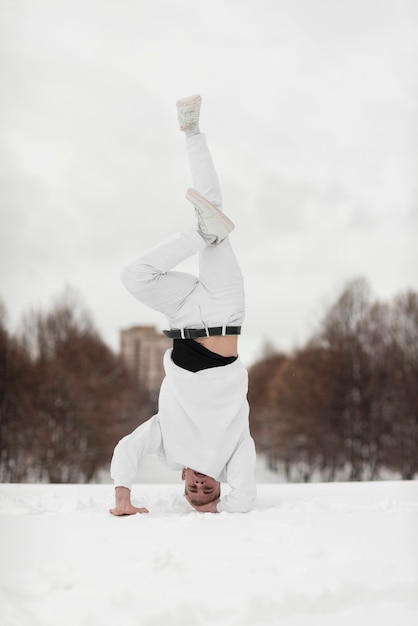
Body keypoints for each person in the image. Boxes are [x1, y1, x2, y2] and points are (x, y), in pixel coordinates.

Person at [110, 95, 256, 515]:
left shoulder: (168, 446)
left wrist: (123, 500)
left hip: (182, 317)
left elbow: (126, 448)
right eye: (208, 490)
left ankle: (202, 234)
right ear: (218, 486)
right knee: (214, 208)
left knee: (133, 276)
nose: (199, 484)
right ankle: (191, 129)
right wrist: (215, 513)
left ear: (181, 480)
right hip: (225, 313)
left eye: (192, 491)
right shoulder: (234, 450)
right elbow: (244, 498)